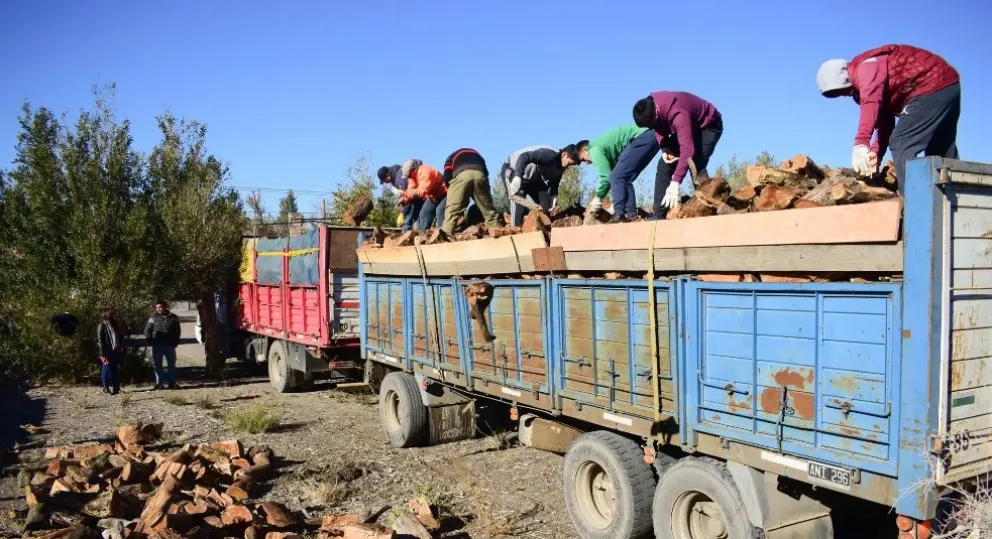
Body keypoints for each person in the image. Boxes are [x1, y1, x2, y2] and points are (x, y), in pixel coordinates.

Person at [816, 44, 960, 185]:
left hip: (930, 85)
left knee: (901, 142)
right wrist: (876, 153)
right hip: (948, 85)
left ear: (842, 80)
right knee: (941, 151)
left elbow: (870, 102)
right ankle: (956, 198)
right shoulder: (868, 74)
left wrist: (861, 143)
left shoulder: (866, 68)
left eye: (838, 92)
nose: (842, 95)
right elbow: (885, 123)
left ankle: (915, 202)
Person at [632, 91, 723, 217]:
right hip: (689, 124)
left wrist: (675, 183)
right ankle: (658, 215)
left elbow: (687, 151)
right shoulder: (651, 105)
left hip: (708, 125)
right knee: (664, 163)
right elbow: (658, 129)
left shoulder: (678, 114)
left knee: (695, 162)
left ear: (656, 113)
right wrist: (665, 149)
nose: (652, 128)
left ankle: (708, 210)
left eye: (651, 125)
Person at [577, 124, 659, 222]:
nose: (586, 163)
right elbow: (616, 180)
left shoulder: (593, 149)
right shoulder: (606, 151)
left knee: (618, 176)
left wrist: (598, 198)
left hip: (641, 137)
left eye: (583, 159)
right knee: (624, 178)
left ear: (585, 150)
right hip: (654, 137)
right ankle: (632, 215)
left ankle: (619, 214)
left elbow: (607, 178)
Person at [501, 145, 580, 226]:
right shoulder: (549, 155)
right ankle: (516, 231)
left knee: (545, 207)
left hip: (534, 179)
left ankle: (545, 233)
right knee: (519, 206)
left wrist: (554, 195)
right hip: (514, 169)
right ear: (564, 154)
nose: (569, 167)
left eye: (571, 165)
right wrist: (517, 177)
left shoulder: (563, 165)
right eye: (569, 163)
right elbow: (524, 156)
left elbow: (556, 180)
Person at [440, 148, 500, 234]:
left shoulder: (450, 158)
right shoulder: (477, 154)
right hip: (480, 174)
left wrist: (453, 193)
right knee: (489, 211)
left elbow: (446, 177)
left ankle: (446, 236)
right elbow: (486, 172)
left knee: (452, 210)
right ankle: (498, 233)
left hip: (462, 175)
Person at [144, 300, 180, 390]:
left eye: (160, 307)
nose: (158, 309)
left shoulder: (173, 317)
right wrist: (150, 341)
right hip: (157, 345)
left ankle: (172, 383)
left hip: (169, 345)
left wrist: (175, 342)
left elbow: (177, 331)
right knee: (157, 365)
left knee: (171, 365)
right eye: (157, 307)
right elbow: (147, 330)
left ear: (165, 307)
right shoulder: (153, 318)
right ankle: (159, 383)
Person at [96, 308, 123, 395]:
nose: (114, 316)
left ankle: (116, 388)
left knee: (114, 369)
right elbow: (100, 341)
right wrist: (102, 354)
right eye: (111, 314)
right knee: (106, 368)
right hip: (107, 351)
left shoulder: (115, 324)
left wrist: (121, 346)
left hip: (116, 349)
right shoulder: (102, 325)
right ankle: (105, 387)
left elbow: (120, 336)